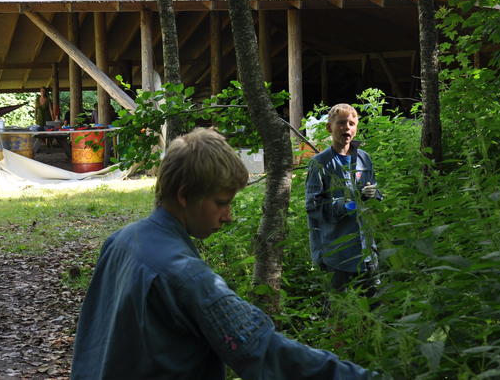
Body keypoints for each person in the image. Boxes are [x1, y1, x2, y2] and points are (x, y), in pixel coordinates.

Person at [70, 127, 375, 379]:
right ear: (184, 195)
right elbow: (262, 351)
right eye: (221, 202)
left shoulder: (122, 240)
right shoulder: (186, 276)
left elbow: (92, 340)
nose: (228, 216)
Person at [305, 104, 383, 292]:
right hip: (337, 251)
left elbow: (372, 191)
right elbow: (313, 206)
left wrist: (375, 194)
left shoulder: (364, 158)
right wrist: (347, 206)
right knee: (340, 309)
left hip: (366, 250)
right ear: (329, 127)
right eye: (341, 123)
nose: (346, 127)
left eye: (351, 123)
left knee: (373, 305)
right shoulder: (320, 163)